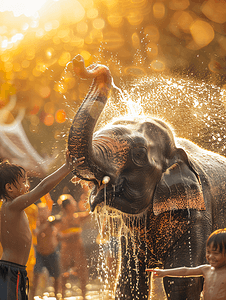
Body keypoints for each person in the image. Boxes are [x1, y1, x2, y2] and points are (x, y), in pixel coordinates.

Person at [0, 151, 84, 300]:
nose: (27, 186)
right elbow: (43, 186)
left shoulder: (9, 207)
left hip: (13, 269)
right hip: (12, 270)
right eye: (24, 182)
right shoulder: (13, 205)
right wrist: (67, 167)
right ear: (9, 188)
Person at [146, 228, 226, 300]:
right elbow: (185, 271)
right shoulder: (206, 269)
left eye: (215, 253)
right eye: (208, 252)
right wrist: (164, 272)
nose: (210, 256)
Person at [57, 194, 89, 300]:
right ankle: (62, 297)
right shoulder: (61, 220)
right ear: (67, 206)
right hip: (66, 251)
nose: (75, 203)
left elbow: (90, 213)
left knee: (83, 275)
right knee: (63, 275)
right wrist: (70, 234)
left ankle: (83, 297)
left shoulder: (78, 218)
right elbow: (58, 236)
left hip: (78, 251)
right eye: (72, 202)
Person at [29, 203, 61, 300]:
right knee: (36, 276)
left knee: (56, 276)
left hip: (52, 252)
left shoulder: (51, 221)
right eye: (40, 210)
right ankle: (31, 297)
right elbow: (35, 232)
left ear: (48, 212)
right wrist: (44, 225)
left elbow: (60, 220)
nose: (42, 213)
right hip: (39, 253)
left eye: (44, 210)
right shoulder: (35, 223)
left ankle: (57, 296)